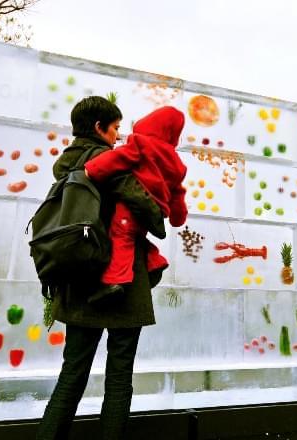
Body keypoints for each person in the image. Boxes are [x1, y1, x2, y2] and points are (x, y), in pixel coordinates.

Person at [36, 96, 168, 440]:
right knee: (120, 377)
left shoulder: (66, 165)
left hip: (78, 280)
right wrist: (159, 217)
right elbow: (144, 204)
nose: (118, 136)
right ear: (99, 127)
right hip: (121, 285)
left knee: (72, 375)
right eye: (115, 128)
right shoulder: (107, 160)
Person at [84, 106, 188, 303]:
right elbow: (178, 194)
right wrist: (177, 217)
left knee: (121, 236)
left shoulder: (141, 143)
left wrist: (91, 170)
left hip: (132, 205)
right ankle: (154, 261)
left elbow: (116, 158)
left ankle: (115, 282)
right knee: (136, 236)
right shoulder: (176, 164)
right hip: (153, 212)